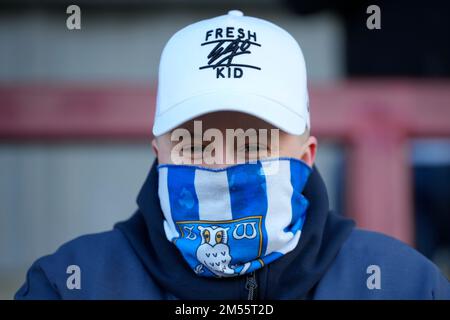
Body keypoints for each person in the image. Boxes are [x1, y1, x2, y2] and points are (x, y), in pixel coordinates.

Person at [15, 10, 449, 300]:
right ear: (158, 152)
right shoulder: (71, 284)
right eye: (196, 142)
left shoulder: (401, 285)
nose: (221, 162)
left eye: (253, 143)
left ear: (307, 154)